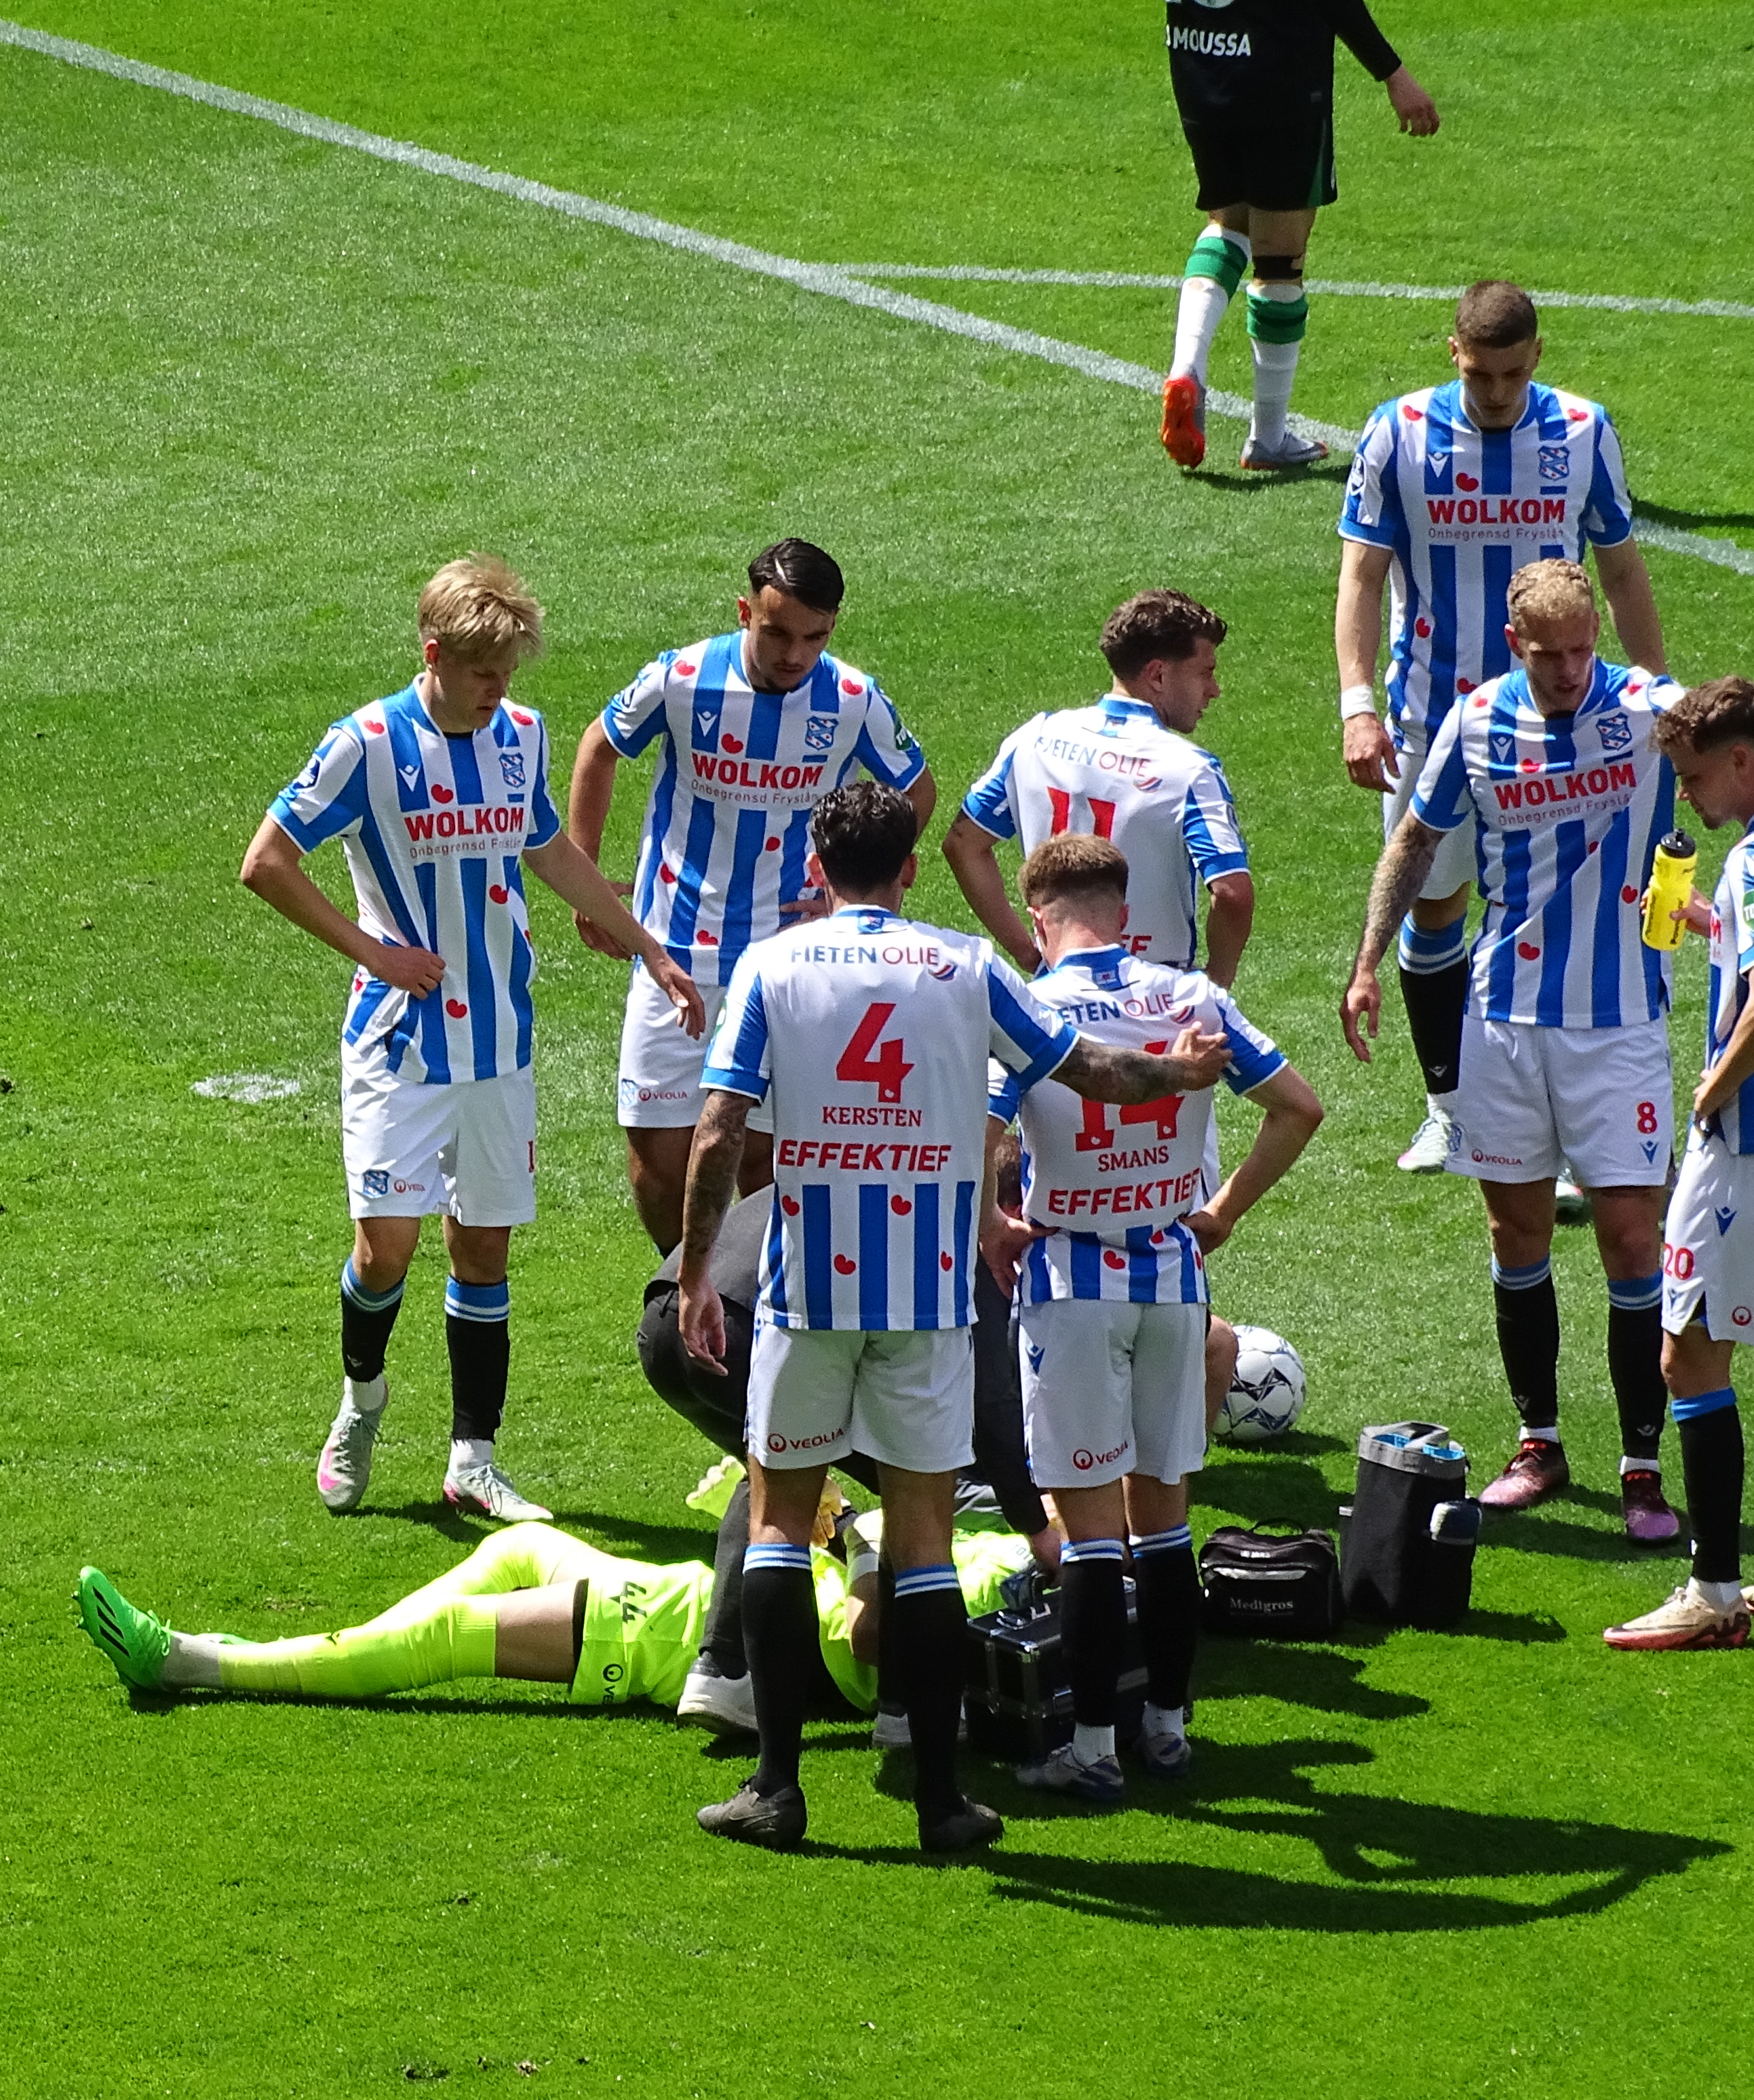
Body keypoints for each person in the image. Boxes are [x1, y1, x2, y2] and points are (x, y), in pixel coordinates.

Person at [676, 782, 1231, 1855]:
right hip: (930, 1302)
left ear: (818, 869)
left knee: (784, 1523)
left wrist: (701, 1271)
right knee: (926, 1544)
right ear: (913, 866)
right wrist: (1179, 1070)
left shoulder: (772, 965)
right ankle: (940, 1802)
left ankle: (777, 1789)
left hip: (806, 1290)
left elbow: (714, 1132)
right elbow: (1089, 1070)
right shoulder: (966, 967)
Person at [243, 555, 703, 1522]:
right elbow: (267, 863)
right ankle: (362, 1402)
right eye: (486, 672)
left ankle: (473, 1460)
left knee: (483, 1254)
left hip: (501, 1043)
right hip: (400, 1043)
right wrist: (373, 949)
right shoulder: (365, 745)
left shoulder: (520, 737)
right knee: (386, 1250)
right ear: (435, 654)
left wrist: (651, 953)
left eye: (511, 674)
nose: (502, 692)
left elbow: (548, 850)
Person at [1344, 559, 1681, 1537]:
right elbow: (1414, 841)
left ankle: (1643, 1465)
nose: (1574, 670)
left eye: (1585, 649)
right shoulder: (1478, 721)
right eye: (1552, 655)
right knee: (1516, 1238)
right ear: (1515, 646)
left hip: (1618, 1026)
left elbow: (1733, 743)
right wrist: (1369, 959)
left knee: (1630, 1239)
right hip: (1502, 1022)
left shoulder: (1648, 709)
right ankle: (1539, 1441)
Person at [986, 835, 1323, 1804]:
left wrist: (990, 1228)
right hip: (1173, 1276)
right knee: (1166, 1528)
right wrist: (1220, 1213)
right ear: (1125, 913)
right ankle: (1169, 1733)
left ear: (1041, 920)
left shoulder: (1034, 1005)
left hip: (1071, 1279)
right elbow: (1298, 1107)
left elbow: (985, 1129)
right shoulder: (1191, 1000)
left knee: (1093, 1537)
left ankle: (1091, 1749)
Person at [1338, 282, 1670, 1180]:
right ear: (1454, 353)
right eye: (1482, 374)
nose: (1496, 391)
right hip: (1430, 717)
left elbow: (1623, 571)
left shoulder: (1581, 430)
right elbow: (1363, 576)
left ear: (1538, 356)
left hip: (1568, 720)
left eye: (1514, 373)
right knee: (1433, 905)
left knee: (1573, 910)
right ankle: (1450, 1107)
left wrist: (1654, 695)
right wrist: (1357, 701)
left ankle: (1574, 1129)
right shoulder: (1398, 432)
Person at [564, 538, 938, 1253]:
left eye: (815, 636)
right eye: (777, 633)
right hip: (673, 950)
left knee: (766, 1160)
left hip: (789, 957)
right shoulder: (683, 678)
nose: (796, 654)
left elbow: (916, 789)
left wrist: (854, 885)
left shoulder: (852, 699)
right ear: (745, 611)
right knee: (654, 1166)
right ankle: (685, 1293)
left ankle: (749, 1313)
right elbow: (599, 748)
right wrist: (586, 878)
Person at [636, 1184, 1055, 1737]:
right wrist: (1037, 1526)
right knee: (908, 1467)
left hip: (668, 1326)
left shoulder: (880, 1152)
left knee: (778, 1473)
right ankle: (904, 1706)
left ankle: (724, 1670)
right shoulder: (963, 1209)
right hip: (740, 1327)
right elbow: (993, 1407)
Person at [71, 1520, 1044, 1720]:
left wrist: (861, 1541)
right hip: (648, 1584)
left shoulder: (901, 1638)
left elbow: (863, 1633)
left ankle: (194, 1664)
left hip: (637, 1630)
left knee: (430, 1647)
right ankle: (294, 1650)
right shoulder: (1006, 1563)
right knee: (520, 1541)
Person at [1156, 0, 1438, 473]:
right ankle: (1268, 436)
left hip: (1197, 60)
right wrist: (1392, 73)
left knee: (1228, 221)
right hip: (1279, 78)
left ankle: (1186, 370)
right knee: (1281, 256)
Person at [1620, 679, 1754, 1648]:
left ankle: (1713, 1594)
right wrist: (1715, 927)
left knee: (1690, 1350)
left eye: (1697, 774)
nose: (1691, 797)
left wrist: (1711, 1089)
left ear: (1745, 760)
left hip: (1745, 1150)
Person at [946, 589, 1253, 983]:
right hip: (1153, 997)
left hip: (1059, 990)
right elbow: (1232, 894)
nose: (1215, 690)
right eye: (1205, 672)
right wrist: (1216, 984)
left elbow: (963, 844)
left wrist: (1029, 952)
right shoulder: (1190, 770)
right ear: (1158, 675)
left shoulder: (1035, 738)